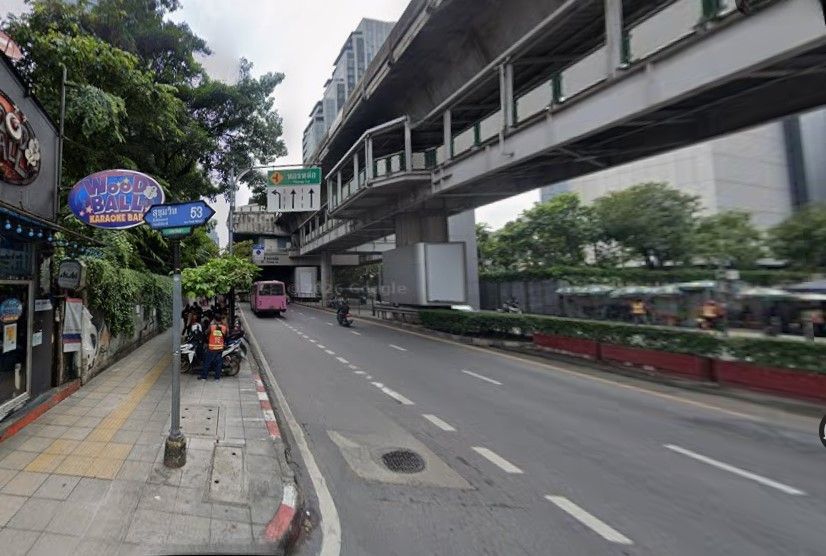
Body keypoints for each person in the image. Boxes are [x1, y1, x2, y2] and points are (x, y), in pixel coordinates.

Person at [200, 313, 227, 381]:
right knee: (218, 364)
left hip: (211, 348)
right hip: (220, 348)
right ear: (220, 320)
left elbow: (206, 333)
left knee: (207, 363)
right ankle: (217, 378)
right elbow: (226, 336)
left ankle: (204, 377)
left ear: (214, 319)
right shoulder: (224, 328)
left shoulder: (212, 327)